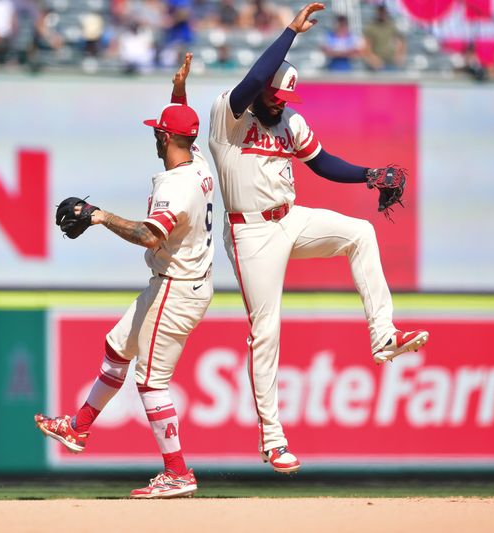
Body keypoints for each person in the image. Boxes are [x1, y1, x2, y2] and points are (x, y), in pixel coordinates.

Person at [207, 3, 429, 474]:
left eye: (287, 100)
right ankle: (272, 440)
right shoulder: (230, 116)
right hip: (251, 233)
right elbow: (253, 80)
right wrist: (290, 31)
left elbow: (322, 163)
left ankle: (383, 335)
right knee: (265, 332)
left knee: (360, 233)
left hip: (290, 219)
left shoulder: (288, 121)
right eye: (276, 98)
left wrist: (370, 174)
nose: (281, 105)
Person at [35, 55, 216, 499]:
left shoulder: (178, 185)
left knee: (151, 380)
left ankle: (178, 472)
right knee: (117, 348)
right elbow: (183, 129)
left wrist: (99, 216)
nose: (155, 133)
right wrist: (179, 92)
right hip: (174, 281)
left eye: (159, 129)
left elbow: (150, 235)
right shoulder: (198, 160)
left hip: (177, 287)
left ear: (168, 136)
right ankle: (77, 427)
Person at [362, 3, 405, 71]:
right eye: (380, 11)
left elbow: (401, 41)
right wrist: (373, 58)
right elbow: (366, 46)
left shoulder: (392, 26)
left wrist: (399, 55)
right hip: (376, 64)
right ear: (377, 12)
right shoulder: (371, 27)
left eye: (383, 11)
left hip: (391, 63)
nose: (382, 13)